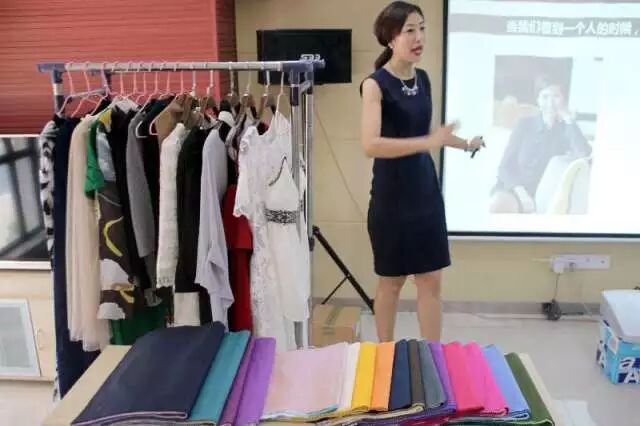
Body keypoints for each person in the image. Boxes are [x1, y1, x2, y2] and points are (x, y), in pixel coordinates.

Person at [360, 1, 483, 342]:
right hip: (391, 197)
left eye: (422, 29)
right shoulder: (375, 85)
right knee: (392, 282)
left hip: (425, 193)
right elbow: (370, 144)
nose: (419, 38)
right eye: (410, 30)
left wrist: (465, 143)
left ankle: (433, 355)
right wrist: (428, 142)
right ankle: (385, 352)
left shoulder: (423, 79)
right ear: (390, 38)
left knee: (431, 281)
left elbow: (430, 135)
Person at [490, 75, 592, 213]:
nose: (550, 103)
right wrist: (522, 195)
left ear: (563, 99)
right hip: (515, 189)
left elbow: (583, 154)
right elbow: (505, 167)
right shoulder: (524, 124)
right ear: (538, 100)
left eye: (556, 96)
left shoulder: (566, 130)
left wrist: (568, 118)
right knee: (500, 205)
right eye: (545, 97)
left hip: (543, 195)